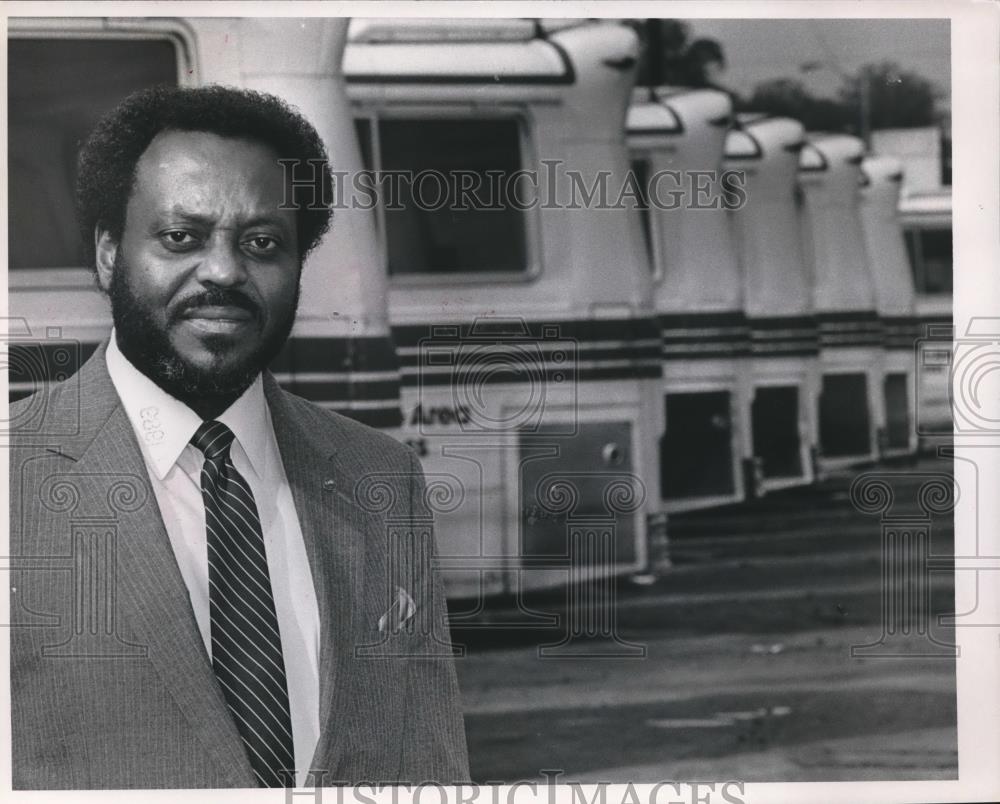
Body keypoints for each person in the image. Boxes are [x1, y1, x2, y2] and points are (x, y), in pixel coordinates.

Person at [9, 85, 469, 789]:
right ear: (107, 254)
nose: (224, 272)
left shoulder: (381, 477)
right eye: (181, 237)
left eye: (261, 243)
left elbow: (429, 767)